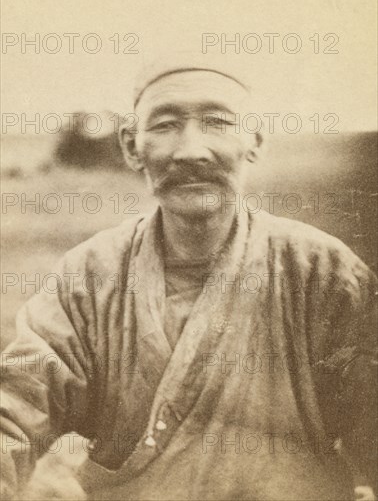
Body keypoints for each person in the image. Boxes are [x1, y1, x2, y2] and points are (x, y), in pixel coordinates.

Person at [1, 59, 377, 501]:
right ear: (130, 146)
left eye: (217, 122)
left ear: (254, 140)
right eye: (165, 125)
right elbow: (14, 412)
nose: (191, 151)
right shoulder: (88, 278)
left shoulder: (322, 273)